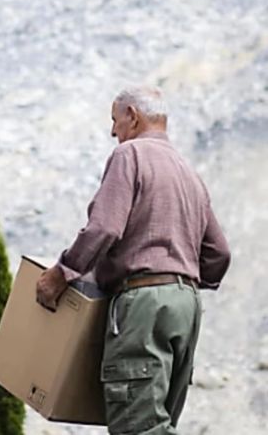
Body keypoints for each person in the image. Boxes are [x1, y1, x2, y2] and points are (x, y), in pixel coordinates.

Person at [35, 86, 231, 434]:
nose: (113, 131)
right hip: (185, 305)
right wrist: (176, 276)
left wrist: (60, 274)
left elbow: (105, 227)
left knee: (138, 426)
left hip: (144, 304)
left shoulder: (129, 156)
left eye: (115, 120)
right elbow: (218, 254)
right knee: (160, 421)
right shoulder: (188, 173)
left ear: (133, 117)